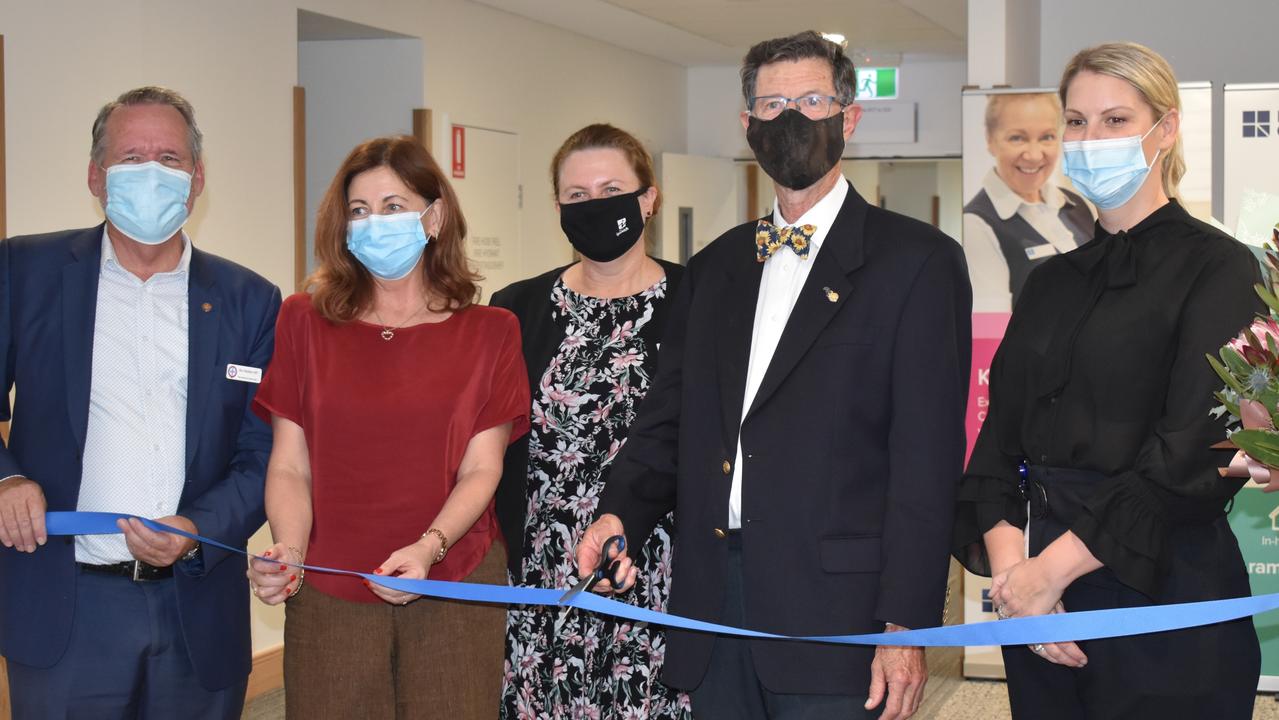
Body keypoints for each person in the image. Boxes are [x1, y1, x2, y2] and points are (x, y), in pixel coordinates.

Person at [577, 31, 972, 720]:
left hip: (838, 619)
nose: (790, 118)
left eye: (811, 99)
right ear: (747, 125)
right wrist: (620, 511)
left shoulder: (917, 263)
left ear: (847, 118)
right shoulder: (715, 267)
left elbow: (924, 462)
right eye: (772, 103)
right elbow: (672, 419)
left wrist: (906, 625)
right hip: (714, 607)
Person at [953, 42, 1263, 719]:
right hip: (1042, 614)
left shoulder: (1219, 268)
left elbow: (1192, 453)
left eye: (1115, 120)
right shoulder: (1046, 283)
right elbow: (998, 443)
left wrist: (1046, 573)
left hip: (1165, 595)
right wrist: (1015, 583)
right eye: (1076, 121)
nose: (1089, 139)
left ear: (1166, 129)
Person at [0, 86, 281, 718]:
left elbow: (264, 450)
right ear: (96, 177)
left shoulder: (250, 299)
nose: (150, 173)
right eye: (130, 158)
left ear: (198, 177)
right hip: (67, 610)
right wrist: (7, 477)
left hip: (196, 611)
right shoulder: (27, 270)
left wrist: (199, 530)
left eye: (170, 158)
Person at [247, 135, 529, 719]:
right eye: (359, 210)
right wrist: (291, 549)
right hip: (328, 583)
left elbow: (483, 469)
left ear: (435, 215)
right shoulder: (304, 321)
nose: (375, 222)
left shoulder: (491, 331)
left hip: (457, 577)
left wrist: (429, 548)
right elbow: (288, 463)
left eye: (394, 206)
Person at [491, 123, 690, 719]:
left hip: (655, 572)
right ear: (556, 206)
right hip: (543, 579)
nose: (594, 205)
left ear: (649, 197)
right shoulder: (514, 310)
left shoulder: (697, 301)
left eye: (611, 188)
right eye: (577, 195)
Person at [964, 92, 1094, 311]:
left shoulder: (1077, 205)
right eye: (1017, 138)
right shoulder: (977, 225)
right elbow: (991, 334)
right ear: (990, 140)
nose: (1034, 155)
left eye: (1047, 137)